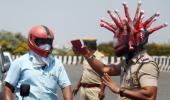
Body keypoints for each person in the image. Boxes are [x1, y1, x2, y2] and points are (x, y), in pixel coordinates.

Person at [72, 1, 167, 100]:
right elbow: (104, 69)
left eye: (121, 38)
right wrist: (86, 54)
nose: (117, 42)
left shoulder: (146, 63)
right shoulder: (127, 62)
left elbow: (150, 95)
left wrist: (119, 90)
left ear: (134, 40)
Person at [3, 25, 73, 100]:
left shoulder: (57, 64)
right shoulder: (20, 62)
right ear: (32, 40)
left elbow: (66, 87)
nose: (46, 46)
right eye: (42, 42)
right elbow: (8, 89)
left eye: (48, 42)